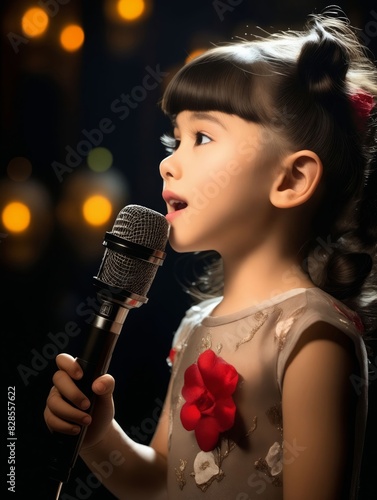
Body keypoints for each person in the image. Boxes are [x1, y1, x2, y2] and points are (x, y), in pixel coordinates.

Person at [44, 7, 377, 500]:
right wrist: (101, 438)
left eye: (201, 137)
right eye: (173, 138)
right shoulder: (196, 325)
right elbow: (161, 481)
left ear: (291, 179)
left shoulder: (312, 336)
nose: (168, 163)